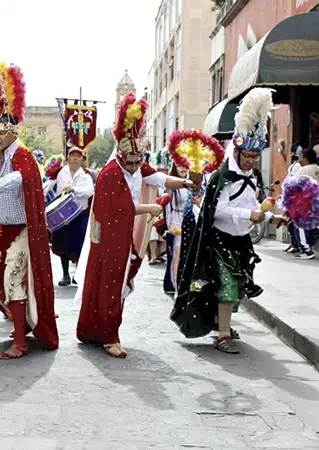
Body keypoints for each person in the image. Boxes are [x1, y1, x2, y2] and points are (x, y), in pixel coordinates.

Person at [75, 92, 194, 358]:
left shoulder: (138, 167)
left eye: (137, 162)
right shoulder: (110, 174)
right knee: (110, 285)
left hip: (123, 236)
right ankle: (110, 337)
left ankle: (101, 330)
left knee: (117, 286)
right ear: (120, 156)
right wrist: (149, 208)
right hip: (108, 239)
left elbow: (160, 179)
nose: (133, 166)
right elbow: (118, 211)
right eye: (129, 162)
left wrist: (186, 182)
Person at [171, 88, 289, 354]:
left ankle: (220, 322)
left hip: (240, 242)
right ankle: (223, 334)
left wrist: (271, 217)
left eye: (255, 157)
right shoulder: (222, 178)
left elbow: (252, 206)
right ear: (236, 153)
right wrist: (250, 215)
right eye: (247, 156)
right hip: (219, 241)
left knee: (235, 287)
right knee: (226, 286)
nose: (251, 161)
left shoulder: (252, 178)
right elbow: (219, 210)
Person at [0, 62, 58, 359]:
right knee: (4, 279)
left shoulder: (21, 156)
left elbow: (20, 179)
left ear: (13, 132)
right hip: (6, 231)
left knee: (12, 279)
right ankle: (21, 326)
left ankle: (20, 342)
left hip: (23, 231)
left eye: (1, 131)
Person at [50, 146, 94, 286]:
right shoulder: (60, 173)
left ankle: (78, 275)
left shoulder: (86, 175)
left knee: (80, 244)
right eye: (72, 156)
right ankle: (65, 275)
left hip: (80, 214)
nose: (75, 159)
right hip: (62, 215)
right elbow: (49, 186)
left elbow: (90, 191)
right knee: (63, 244)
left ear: (82, 160)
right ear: (68, 158)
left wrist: (74, 189)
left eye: (78, 156)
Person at [287, 148, 319, 260]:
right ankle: (308, 247)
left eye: (301, 157)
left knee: (300, 227)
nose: (299, 160)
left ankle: (306, 250)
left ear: (306, 159)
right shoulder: (318, 169)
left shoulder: (303, 170)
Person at [163, 164, 190, 295]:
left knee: (188, 255)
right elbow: (167, 205)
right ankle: (176, 286)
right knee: (177, 255)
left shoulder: (193, 183)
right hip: (176, 221)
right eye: (180, 166)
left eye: (186, 166)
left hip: (190, 220)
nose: (183, 169)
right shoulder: (172, 184)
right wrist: (169, 225)